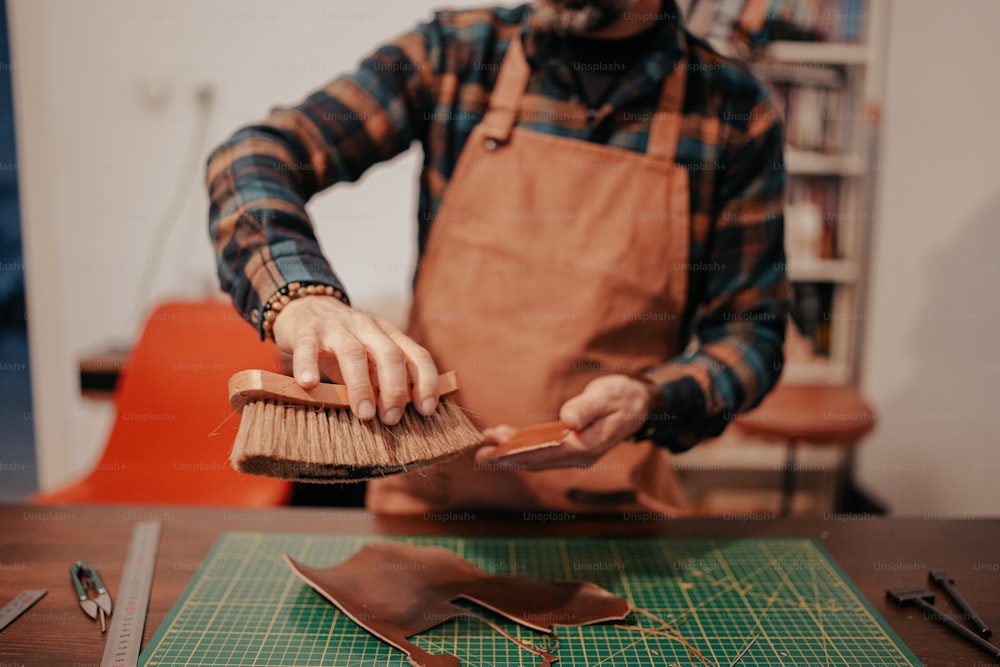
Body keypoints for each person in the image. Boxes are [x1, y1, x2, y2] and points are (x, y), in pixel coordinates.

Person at [206, 0, 791, 515]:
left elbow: (751, 337)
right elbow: (253, 155)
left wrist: (651, 399)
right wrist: (303, 297)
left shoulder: (732, 110)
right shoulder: (456, 54)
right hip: (427, 503)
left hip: (612, 523)